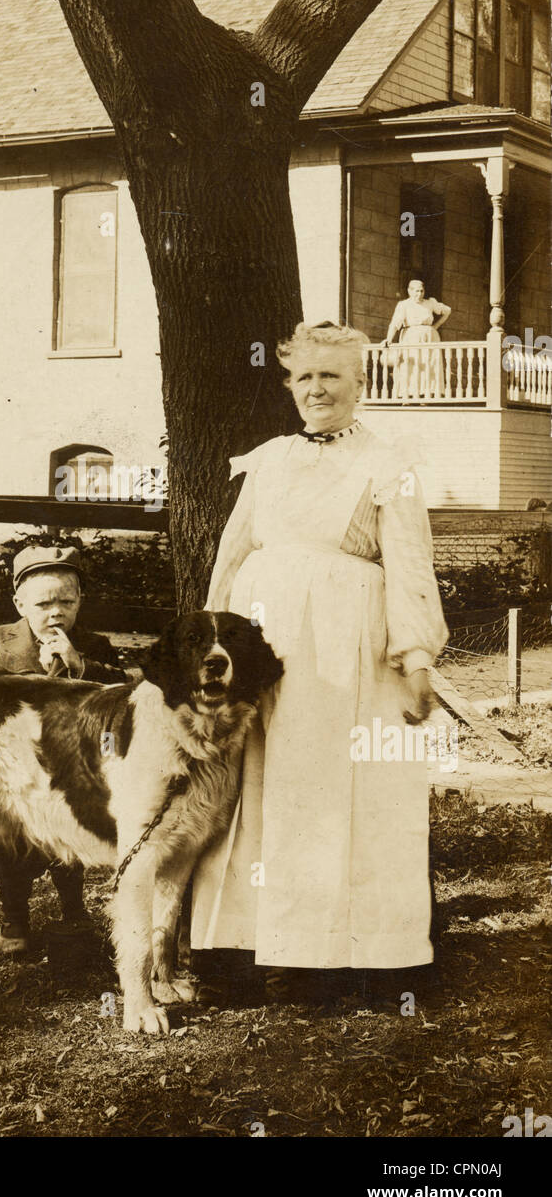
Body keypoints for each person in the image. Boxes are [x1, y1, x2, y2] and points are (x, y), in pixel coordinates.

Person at [191, 321, 448, 997]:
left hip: (345, 642)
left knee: (330, 789)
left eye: (329, 376)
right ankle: (241, 946)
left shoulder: (388, 464)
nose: (315, 389)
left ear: (359, 385)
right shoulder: (269, 458)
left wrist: (416, 656)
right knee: (252, 779)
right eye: (303, 377)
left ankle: (341, 953)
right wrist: (208, 637)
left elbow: (409, 564)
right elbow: (233, 550)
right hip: (261, 641)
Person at [0, 545, 128, 954]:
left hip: (70, 770)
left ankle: (74, 912)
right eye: (43, 603)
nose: (55, 613)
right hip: (16, 771)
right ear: (20, 603)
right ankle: (14, 917)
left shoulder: (92, 644)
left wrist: (79, 664)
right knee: (10, 847)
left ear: (80, 602)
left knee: (71, 844)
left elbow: (122, 687)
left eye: (66, 601)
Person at [382, 279, 452, 399]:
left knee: (428, 365)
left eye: (421, 291)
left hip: (429, 337)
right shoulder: (404, 305)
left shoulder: (430, 303)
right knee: (411, 365)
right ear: (409, 291)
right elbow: (395, 323)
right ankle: (407, 396)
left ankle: (426, 395)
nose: (419, 294)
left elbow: (447, 311)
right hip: (411, 336)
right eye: (416, 291)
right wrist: (389, 339)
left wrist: (435, 326)